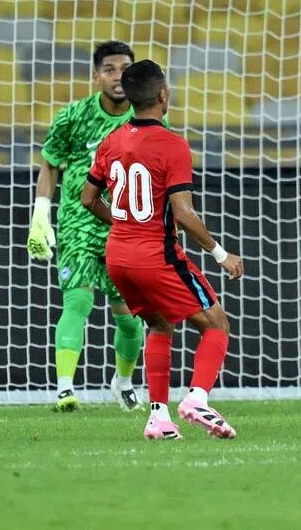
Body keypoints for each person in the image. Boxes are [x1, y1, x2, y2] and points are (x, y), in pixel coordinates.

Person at [81, 60, 244, 441]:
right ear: (163, 95)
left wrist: (124, 223)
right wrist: (221, 254)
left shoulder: (112, 140)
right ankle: (197, 399)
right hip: (156, 256)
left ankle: (158, 416)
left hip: (118, 256)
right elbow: (183, 214)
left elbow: (87, 198)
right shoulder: (173, 144)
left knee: (159, 324)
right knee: (217, 324)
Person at [27, 41, 145, 412]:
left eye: (124, 68)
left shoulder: (147, 118)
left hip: (125, 228)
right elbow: (51, 164)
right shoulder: (73, 117)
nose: (117, 75)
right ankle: (65, 389)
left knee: (129, 320)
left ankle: (122, 382)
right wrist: (41, 213)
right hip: (79, 222)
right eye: (109, 69)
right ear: (96, 76)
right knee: (77, 301)